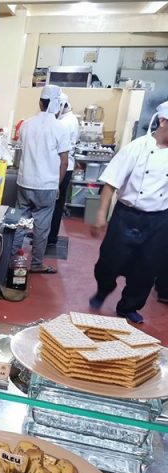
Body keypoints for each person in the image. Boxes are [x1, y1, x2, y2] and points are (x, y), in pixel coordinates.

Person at [89, 100, 168, 324]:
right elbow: (111, 183)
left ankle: (128, 307)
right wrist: (101, 214)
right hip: (126, 215)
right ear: (163, 121)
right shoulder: (137, 147)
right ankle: (103, 290)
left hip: (159, 219)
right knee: (109, 263)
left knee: (147, 268)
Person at [10, 84, 70, 274]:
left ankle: (11, 259)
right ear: (56, 105)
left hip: (24, 182)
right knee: (41, 227)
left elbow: (20, 151)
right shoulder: (60, 128)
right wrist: (57, 185)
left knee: (20, 223)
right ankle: (36, 264)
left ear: (40, 102)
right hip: (46, 186)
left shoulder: (26, 124)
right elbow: (64, 161)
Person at [48, 92, 80, 246]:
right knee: (55, 204)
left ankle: (50, 237)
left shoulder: (66, 122)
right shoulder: (68, 119)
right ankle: (46, 234)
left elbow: (62, 155)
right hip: (63, 166)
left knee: (56, 204)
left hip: (63, 168)